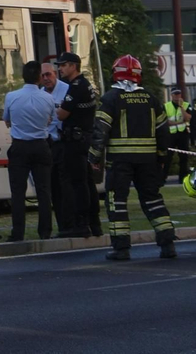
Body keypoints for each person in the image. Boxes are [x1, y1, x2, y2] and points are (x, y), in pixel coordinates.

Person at [91, 54, 176, 260]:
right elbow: (164, 132)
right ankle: (168, 245)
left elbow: (100, 131)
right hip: (148, 161)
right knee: (153, 199)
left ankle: (121, 249)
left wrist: (94, 158)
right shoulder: (152, 99)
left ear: (116, 74)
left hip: (120, 161)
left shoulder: (110, 98)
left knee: (116, 202)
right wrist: (162, 157)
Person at [2, 59, 56, 241]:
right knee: (44, 191)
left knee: (18, 192)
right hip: (41, 145)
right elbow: (51, 119)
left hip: (19, 146)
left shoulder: (11, 96)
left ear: (22, 76)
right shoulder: (48, 98)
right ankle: (45, 231)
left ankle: (18, 232)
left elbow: (7, 120)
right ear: (40, 78)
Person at [54, 52, 100, 237]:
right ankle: (94, 223)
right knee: (87, 182)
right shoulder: (86, 85)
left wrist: (56, 108)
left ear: (73, 66)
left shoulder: (76, 86)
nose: (60, 68)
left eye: (63, 65)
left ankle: (80, 224)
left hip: (75, 141)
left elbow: (62, 114)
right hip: (83, 139)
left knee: (77, 183)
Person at [40, 61, 70, 234]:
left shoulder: (66, 90)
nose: (46, 79)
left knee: (66, 186)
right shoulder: (39, 94)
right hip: (47, 144)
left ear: (55, 74)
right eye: (42, 76)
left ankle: (70, 224)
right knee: (53, 188)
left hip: (63, 144)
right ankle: (62, 225)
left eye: (48, 75)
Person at [164, 88, 190, 182]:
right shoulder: (166, 106)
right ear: (171, 95)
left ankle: (183, 178)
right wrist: (179, 122)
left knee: (184, 157)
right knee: (167, 157)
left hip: (183, 133)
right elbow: (165, 121)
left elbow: (187, 118)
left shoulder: (186, 105)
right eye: (175, 94)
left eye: (178, 94)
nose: (177, 96)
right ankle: (163, 178)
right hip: (171, 134)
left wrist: (181, 107)